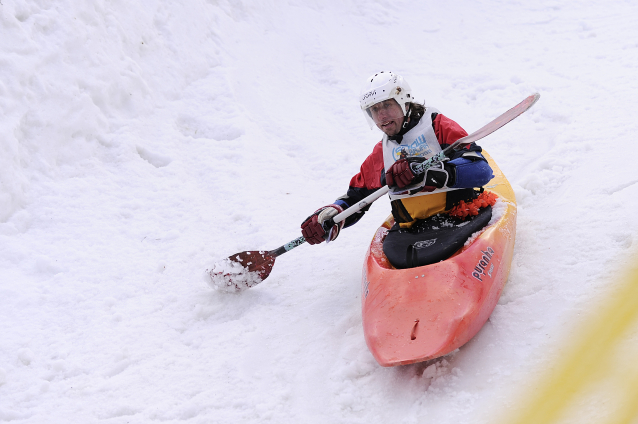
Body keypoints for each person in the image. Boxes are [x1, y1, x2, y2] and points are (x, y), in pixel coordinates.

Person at [300, 71, 495, 268]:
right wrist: (331, 215)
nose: (381, 115)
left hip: (461, 217)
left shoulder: (436, 126)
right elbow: (356, 197)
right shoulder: (381, 153)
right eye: (374, 110)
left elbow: (481, 170)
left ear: (404, 102)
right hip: (413, 230)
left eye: (387, 105)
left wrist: (434, 173)